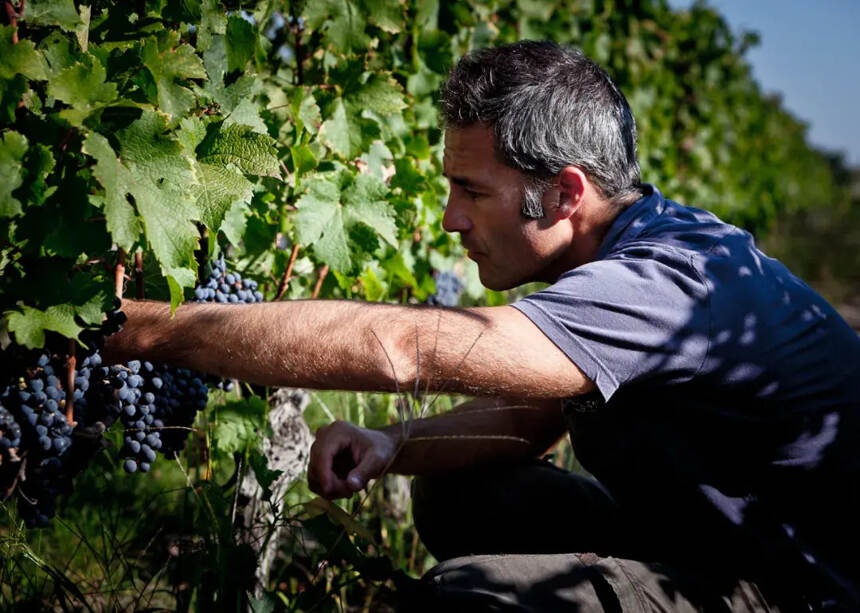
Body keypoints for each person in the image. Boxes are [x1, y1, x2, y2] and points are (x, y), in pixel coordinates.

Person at [104, 41, 860, 612]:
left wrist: (144, 329)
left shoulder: (666, 282)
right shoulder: (622, 249)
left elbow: (402, 347)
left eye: (471, 189)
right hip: (696, 536)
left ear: (563, 193)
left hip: (787, 586)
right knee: (454, 489)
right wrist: (391, 443)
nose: (448, 218)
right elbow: (536, 413)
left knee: (469, 599)